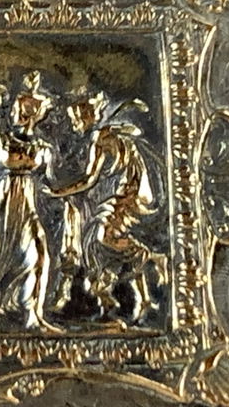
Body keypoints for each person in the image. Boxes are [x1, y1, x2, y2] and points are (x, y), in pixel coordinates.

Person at [49, 94, 162, 323]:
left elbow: (89, 179)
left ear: (86, 116)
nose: (74, 125)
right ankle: (136, 297)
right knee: (98, 244)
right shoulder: (109, 134)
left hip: (122, 198)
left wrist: (58, 192)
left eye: (76, 119)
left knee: (101, 238)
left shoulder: (100, 137)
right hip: (121, 195)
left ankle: (150, 258)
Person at [0, 73, 60, 332]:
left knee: (39, 252)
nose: (27, 114)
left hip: (29, 199)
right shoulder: (1, 141)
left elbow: (51, 181)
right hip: (6, 200)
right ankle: (5, 301)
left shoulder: (41, 146)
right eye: (24, 108)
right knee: (9, 256)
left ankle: (33, 313)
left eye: (32, 110)